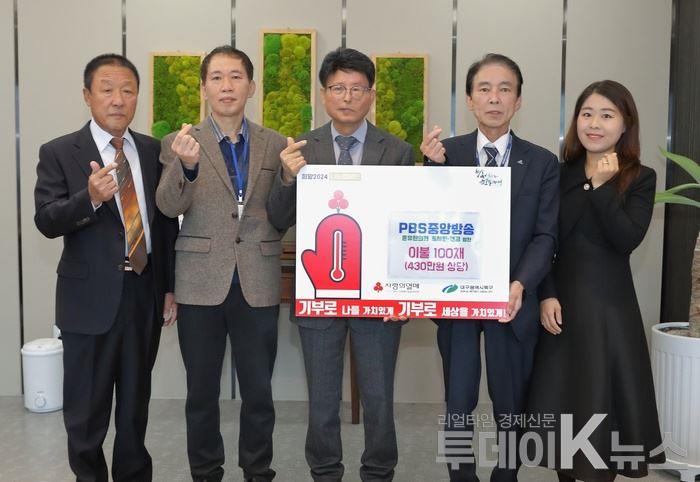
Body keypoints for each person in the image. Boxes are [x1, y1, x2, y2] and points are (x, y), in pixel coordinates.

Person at [266, 47, 414, 482]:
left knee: (379, 398)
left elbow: (405, 228)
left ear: (371, 95)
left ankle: (379, 472)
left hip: (379, 296)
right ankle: (325, 472)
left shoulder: (397, 151)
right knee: (322, 399)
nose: (347, 97)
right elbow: (278, 218)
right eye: (338, 88)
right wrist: (287, 177)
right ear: (323, 94)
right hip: (320, 291)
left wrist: (405, 293)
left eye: (357, 89)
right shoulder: (299, 148)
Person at [34, 53, 178, 482]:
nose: (118, 99)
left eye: (128, 90)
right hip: (88, 301)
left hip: (143, 294)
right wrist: (90, 198)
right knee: (86, 413)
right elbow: (47, 220)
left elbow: (164, 225)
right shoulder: (60, 151)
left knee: (135, 407)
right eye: (107, 89)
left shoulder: (152, 150)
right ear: (87, 95)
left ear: (137, 97)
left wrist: (168, 287)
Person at [421, 53, 560, 482]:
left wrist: (521, 284)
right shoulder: (447, 154)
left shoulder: (542, 163)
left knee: (511, 404)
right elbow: (428, 222)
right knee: (457, 403)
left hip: (512, 300)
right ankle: (460, 476)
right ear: (469, 99)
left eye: (504, 90)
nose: (494, 98)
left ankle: (507, 475)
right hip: (458, 301)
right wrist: (430, 170)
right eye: (484, 89)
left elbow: (545, 236)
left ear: (518, 101)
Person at [156, 45, 286, 482]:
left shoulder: (275, 144)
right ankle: (206, 472)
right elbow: (168, 204)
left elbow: (281, 213)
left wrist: (290, 179)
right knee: (201, 393)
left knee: (259, 392)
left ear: (252, 86)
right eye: (216, 77)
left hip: (257, 279)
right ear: (203, 88)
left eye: (235, 77)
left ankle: (258, 471)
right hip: (199, 282)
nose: (226, 86)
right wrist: (187, 167)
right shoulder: (179, 142)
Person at [526, 80, 664, 481]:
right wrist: (545, 294)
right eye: (587, 114)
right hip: (561, 310)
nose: (594, 124)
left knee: (605, 414)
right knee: (564, 415)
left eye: (607, 115)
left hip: (610, 312)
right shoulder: (559, 174)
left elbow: (626, 239)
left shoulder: (641, 177)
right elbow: (544, 240)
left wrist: (602, 187)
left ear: (625, 124)